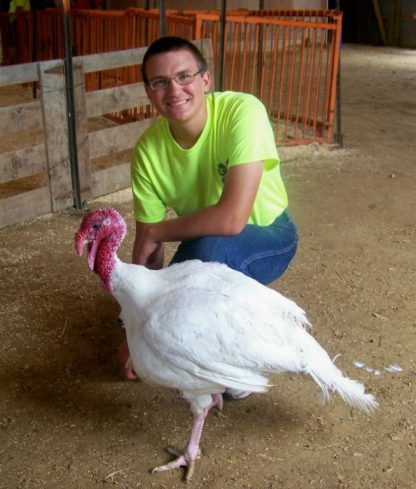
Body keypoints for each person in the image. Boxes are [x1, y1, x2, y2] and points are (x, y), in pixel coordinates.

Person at [119, 36, 298, 386]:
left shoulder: (242, 112)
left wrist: (160, 231)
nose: (174, 90)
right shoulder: (147, 151)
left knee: (203, 264)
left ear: (205, 80)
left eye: (184, 76)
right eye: (160, 82)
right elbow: (148, 251)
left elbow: (232, 219)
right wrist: (132, 331)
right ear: (149, 91)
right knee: (176, 294)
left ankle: (237, 367)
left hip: (269, 234)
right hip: (203, 243)